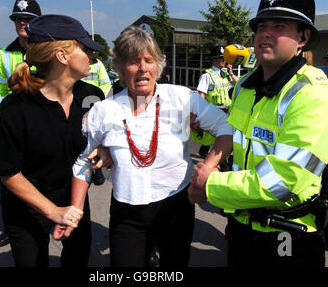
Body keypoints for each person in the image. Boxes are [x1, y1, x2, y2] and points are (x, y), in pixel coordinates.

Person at [53, 26, 233, 267]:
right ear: (120, 68)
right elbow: (83, 162)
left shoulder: (182, 99)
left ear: (158, 64)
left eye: (148, 60)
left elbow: (227, 129)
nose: (142, 68)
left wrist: (208, 167)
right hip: (128, 213)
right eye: (132, 61)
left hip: (176, 206)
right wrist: (75, 210)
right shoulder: (104, 111)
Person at [188, 0, 328, 267]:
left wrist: (211, 184)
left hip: (288, 237)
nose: (265, 35)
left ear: (302, 38)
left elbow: (285, 181)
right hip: (242, 227)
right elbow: (236, 133)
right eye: (261, 26)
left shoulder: (314, 93)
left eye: (279, 27)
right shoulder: (246, 85)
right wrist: (203, 131)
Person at [0, 14, 107, 267]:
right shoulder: (16, 107)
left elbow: (97, 144)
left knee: (78, 258)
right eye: (85, 49)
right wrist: (53, 211)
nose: (92, 57)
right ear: (62, 56)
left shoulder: (92, 97)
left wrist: (105, 150)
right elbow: (7, 173)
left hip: (74, 196)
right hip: (27, 206)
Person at [0, 0, 42, 248]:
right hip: (13, 127)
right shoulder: (4, 55)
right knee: (9, 183)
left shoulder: (49, 52)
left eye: (28, 19)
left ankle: (48, 220)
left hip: (41, 125)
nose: (22, 23)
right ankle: (13, 227)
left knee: (43, 177)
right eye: (18, 19)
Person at [192, 45, 238, 169]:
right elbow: (200, 95)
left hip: (228, 112)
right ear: (214, 60)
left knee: (223, 139)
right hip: (214, 112)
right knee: (219, 141)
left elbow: (239, 85)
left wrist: (231, 73)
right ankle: (221, 165)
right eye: (221, 58)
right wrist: (199, 114)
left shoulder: (226, 74)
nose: (224, 61)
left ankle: (206, 154)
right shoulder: (207, 76)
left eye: (224, 58)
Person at [81, 52, 112, 186]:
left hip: (93, 106)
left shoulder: (98, 65)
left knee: (96, 140)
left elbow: (105, 84)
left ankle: (97, 171)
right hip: (79, 106)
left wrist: (99, 104)